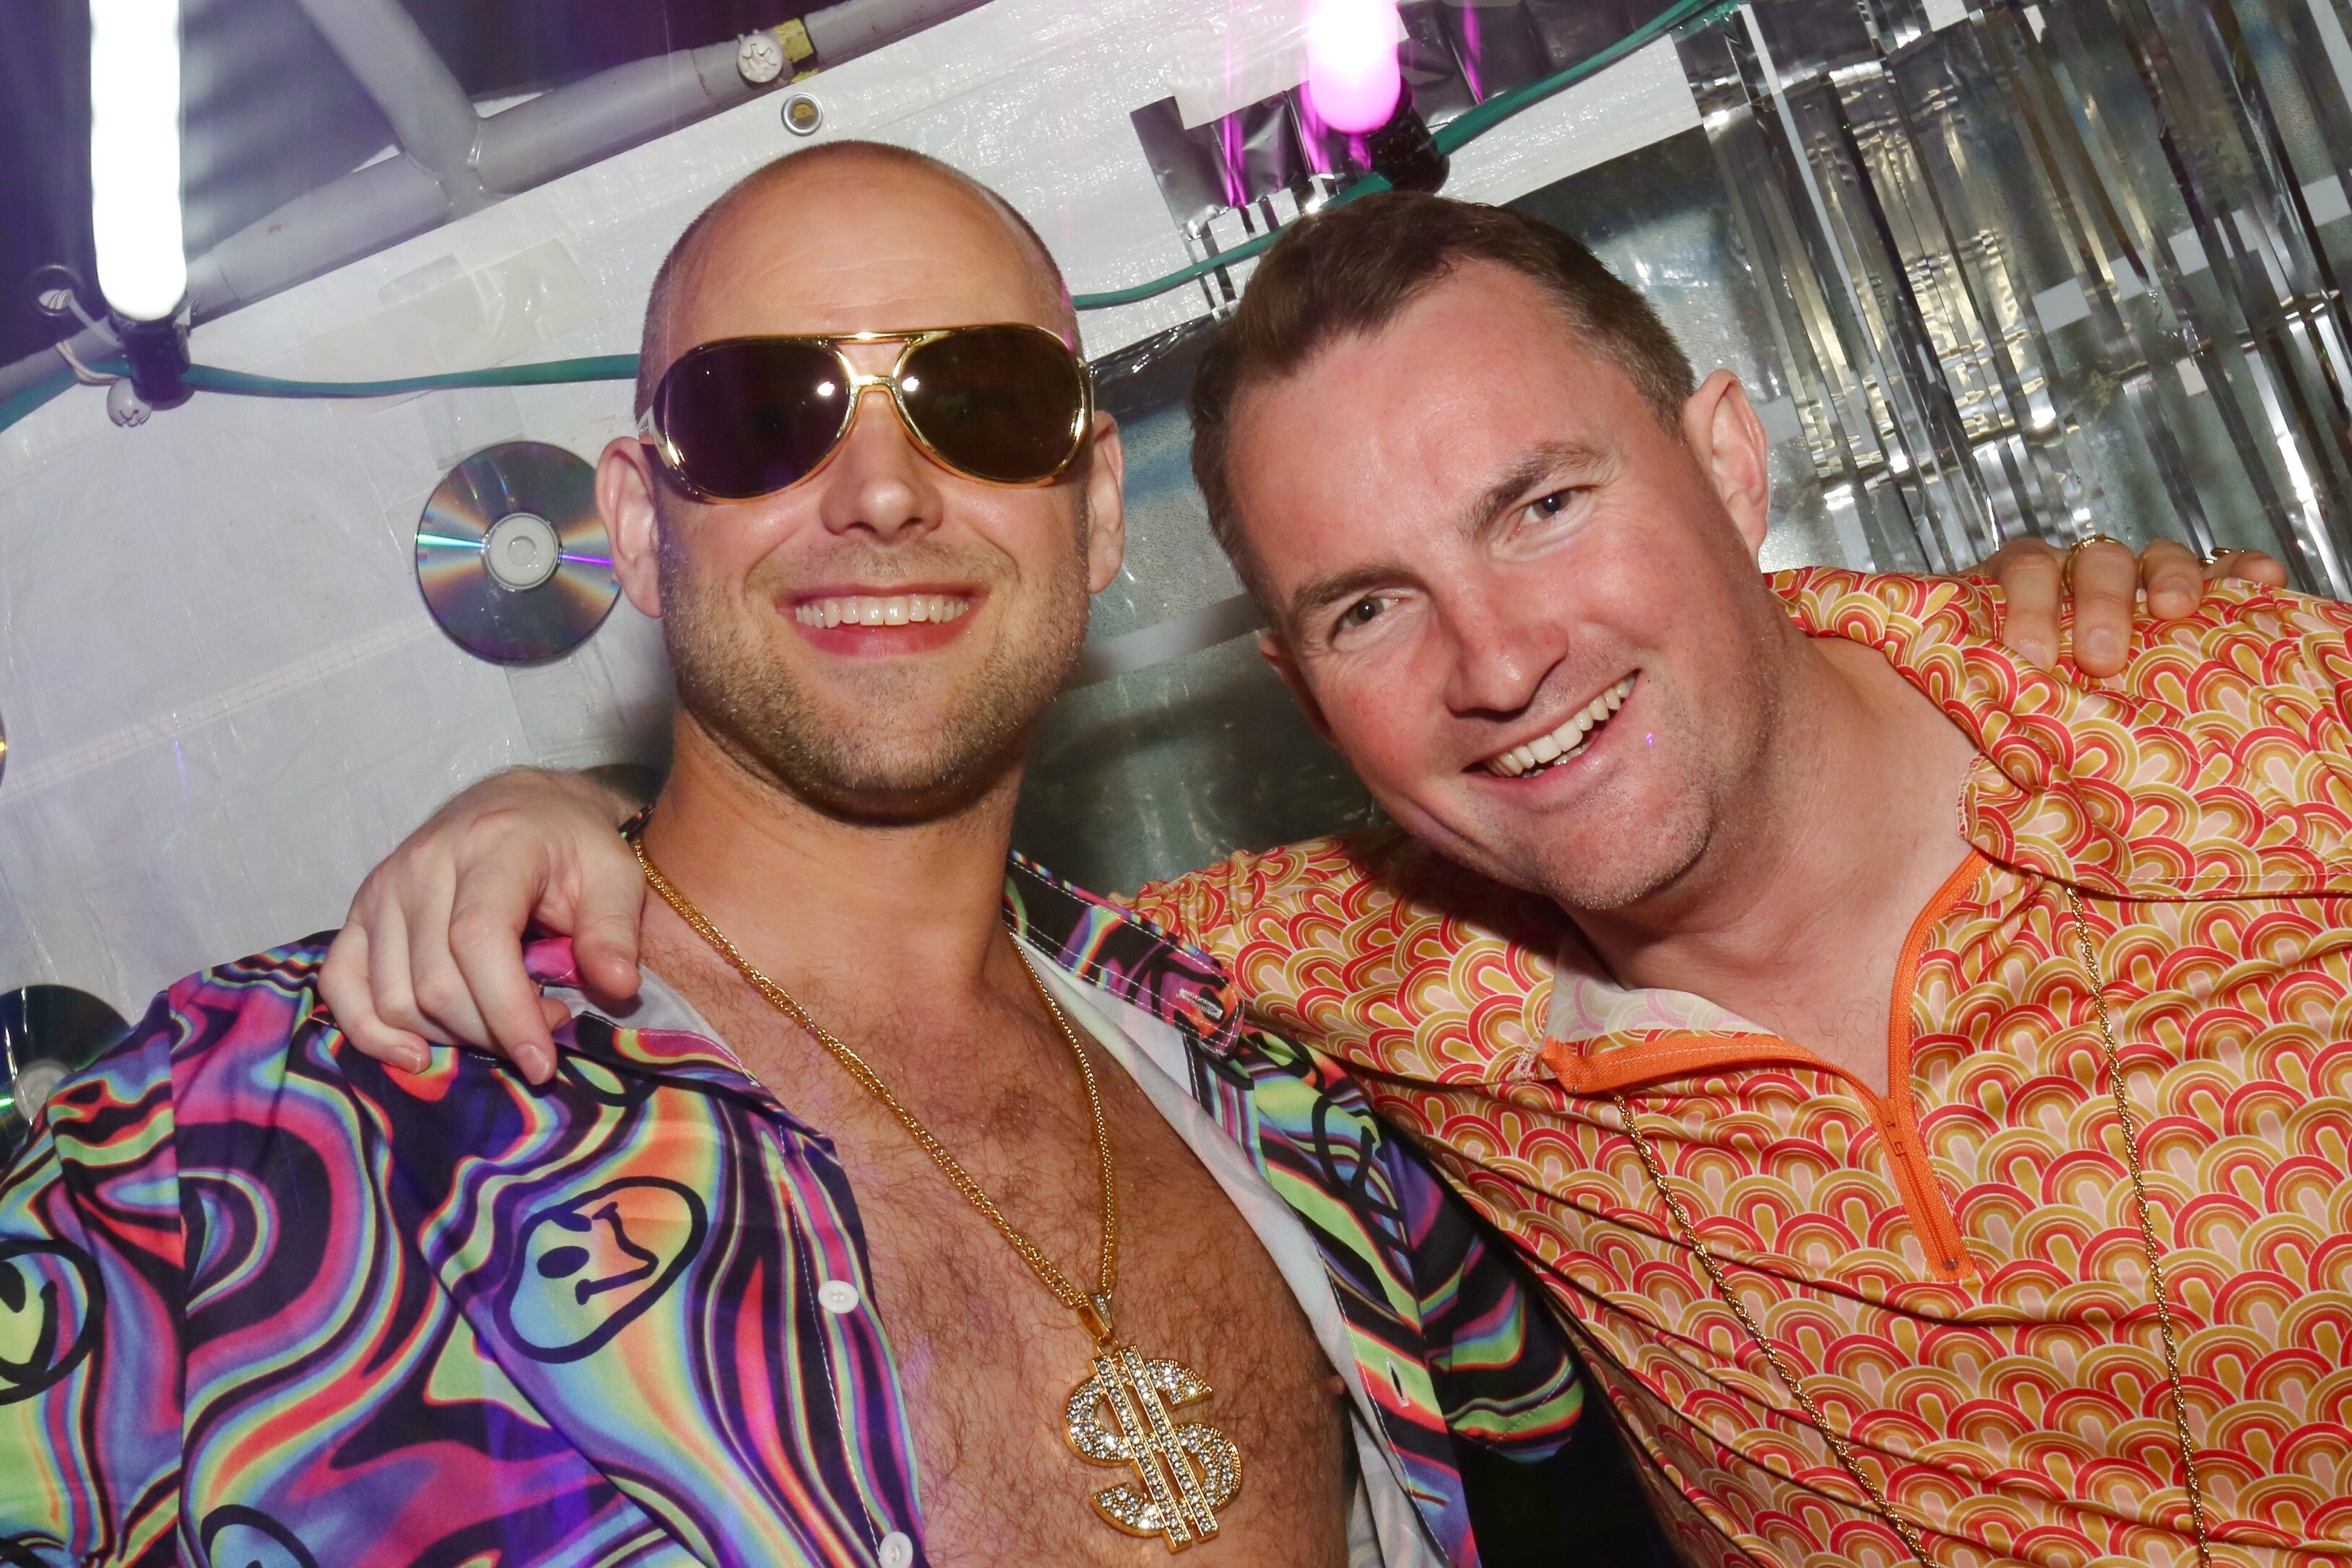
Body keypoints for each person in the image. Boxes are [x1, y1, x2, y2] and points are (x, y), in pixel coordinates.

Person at [324, 186, 2347, 1568]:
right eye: (1370, 606)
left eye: (1544, 506)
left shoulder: (2260, 736)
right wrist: (558, 808)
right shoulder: (1314, 998)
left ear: (1729, 460)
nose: (1499, 661)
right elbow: (877, 904)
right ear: (1293, 686)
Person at [0, 150, 1651, 1568]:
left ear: (1092, 509)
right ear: (638, 528)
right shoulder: (267, 1125)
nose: (879, 491)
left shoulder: (1291, 1091)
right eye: (760, 414)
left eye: (978, 401)